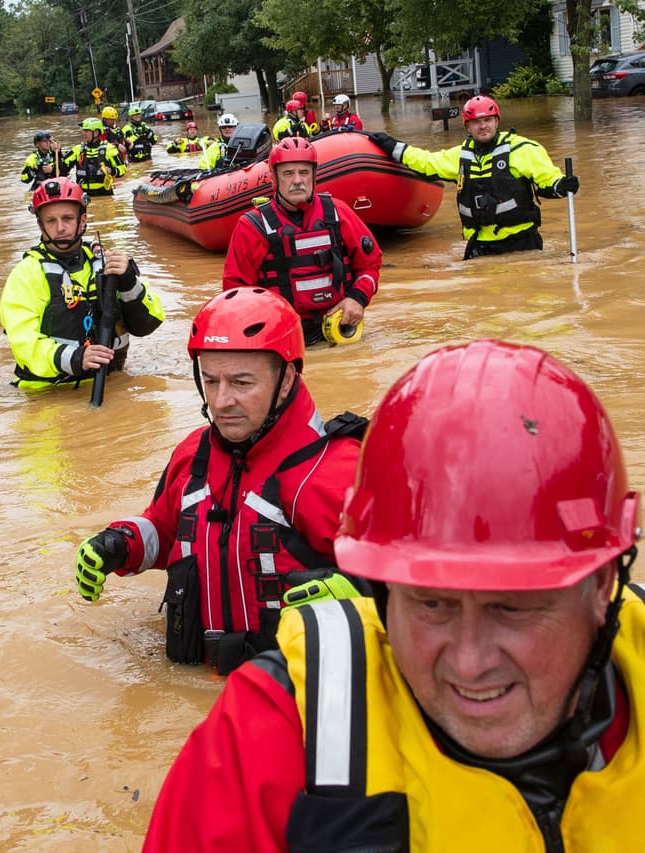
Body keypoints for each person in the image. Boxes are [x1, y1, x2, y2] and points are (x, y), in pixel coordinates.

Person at [143, 339, 643, 851]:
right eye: (431, 603)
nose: (469, 665)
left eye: (512, 608)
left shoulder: (322, 474)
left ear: (603, 586)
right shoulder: (273, 731)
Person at [74, 287, 366, 673]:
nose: (222, 400)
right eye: (211, 381)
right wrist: (121, 544)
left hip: (288, 693)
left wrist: (365, 594)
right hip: (193, 681)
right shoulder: (192, 454)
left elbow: (422, 594)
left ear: (287, 379)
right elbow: (165, 531)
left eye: (242, 383)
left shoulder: (338, 471)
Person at [0, 177, 163, 390]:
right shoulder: (27, 274)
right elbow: (24, 344)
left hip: (111, 383)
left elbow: (149, 322)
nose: (60, 228)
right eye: (51, 221)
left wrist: (128, 282)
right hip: (48, 393)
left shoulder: (105, 263)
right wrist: (76, 358)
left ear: (82, 220)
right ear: (40, 224)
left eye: (67, 218)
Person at [369, 94, 579, 259]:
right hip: (480, 246)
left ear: (497, 121)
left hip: (522, 242)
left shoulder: (523, 149)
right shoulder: (460, 156)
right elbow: (426, 162)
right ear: (467, 126)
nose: (483, 126)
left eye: (488, 120)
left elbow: (547, 180)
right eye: (476, 122)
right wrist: (393, 146)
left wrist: (560, 185)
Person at [222, 137, 381, 345]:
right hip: (281, 336)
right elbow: (235, 293)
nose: (298, 180)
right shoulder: (252, 227)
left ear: (314, 176)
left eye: (304, 172)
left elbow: (370, 265)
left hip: (339, 330)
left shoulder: (337, 213)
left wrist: (357, 299)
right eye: (288, 173)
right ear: (274, 178)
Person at [60, 117, 127, 196]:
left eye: (87, 131)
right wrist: (56, 153)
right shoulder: (77, 150)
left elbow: (122, 170)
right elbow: (62, 167)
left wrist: (111, 170)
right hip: (83, 194)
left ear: (96, 133)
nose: (83, 133)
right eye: (83, 130)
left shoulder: (109, 149)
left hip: (104, 193)